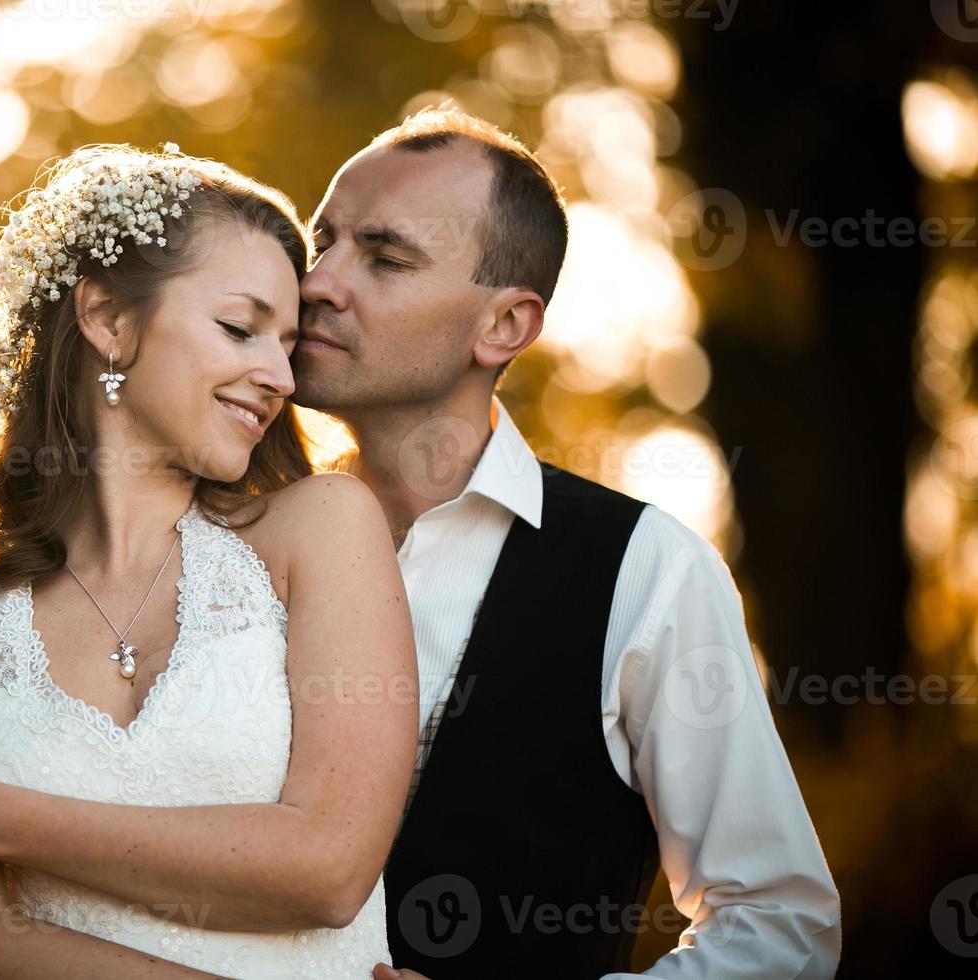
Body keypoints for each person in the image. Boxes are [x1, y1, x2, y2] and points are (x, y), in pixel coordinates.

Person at [286, 106, 838, 979]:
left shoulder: (647, 572)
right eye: (322, 244)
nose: (319, 282)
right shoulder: (217, 539)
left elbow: (781, 926)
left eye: (384, 258)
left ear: (503, 326)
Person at [0, 143, 419, 978]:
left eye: (287, 344)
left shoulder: (323, 530)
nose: (279, 376)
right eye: (239, 328)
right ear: (109, 321)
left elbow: (328, 871)